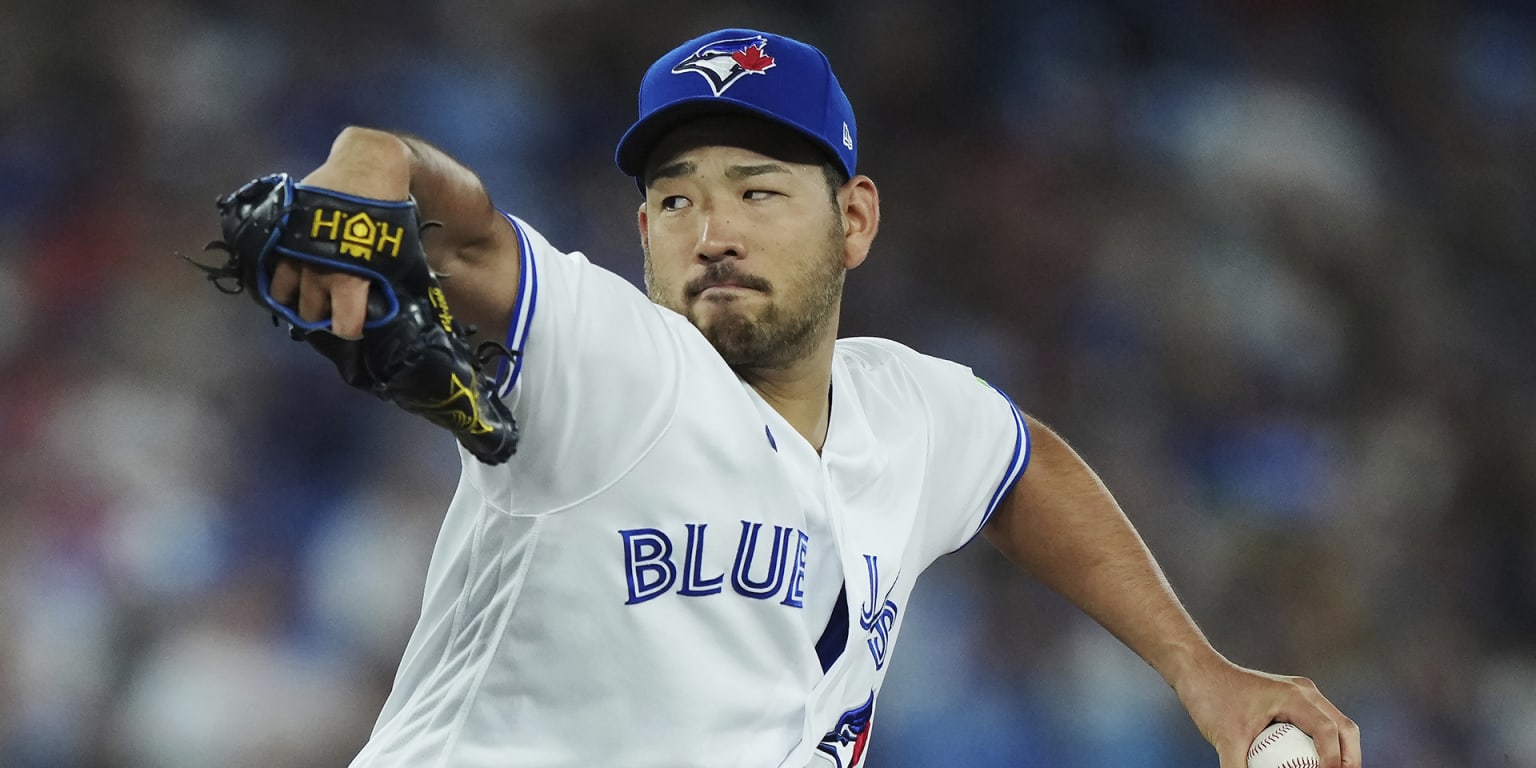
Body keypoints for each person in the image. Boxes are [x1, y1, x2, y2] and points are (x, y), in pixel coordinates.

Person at [250, 27, 1360, 768]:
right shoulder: (621, 362)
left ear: (856, 223)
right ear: (642, 237)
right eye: (675, 199)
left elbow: (1023, 466)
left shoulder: (907, 412)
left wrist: (1198, 667)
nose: (713, 230)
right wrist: (375, 157)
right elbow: (471, 234)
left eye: (759, 190)